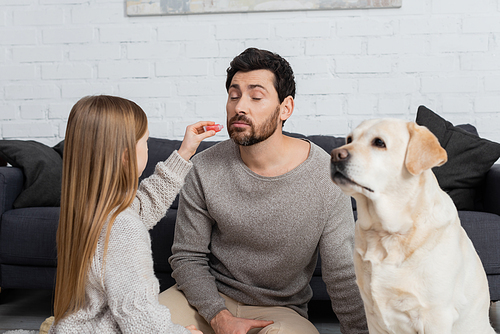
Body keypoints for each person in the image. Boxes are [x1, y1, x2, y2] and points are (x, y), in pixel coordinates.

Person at [160, 48, 368, 334]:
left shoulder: (325, 175)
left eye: (256, 97)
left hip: (280, 313)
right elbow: (187, 257)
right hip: (204, 302)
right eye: (234, 96)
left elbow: (343, 275)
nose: (239, 106)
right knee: (136, 324)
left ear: (286, 108)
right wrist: (218, 316)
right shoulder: (203, 167)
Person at [47, 95, 217, 334]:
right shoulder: (122, 227)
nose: (147, 148)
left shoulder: (89, 211)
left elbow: (144, 204)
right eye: (145, 142)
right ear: (126, 155)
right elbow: (141, 322)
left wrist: (184, 153)